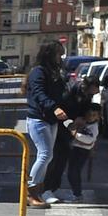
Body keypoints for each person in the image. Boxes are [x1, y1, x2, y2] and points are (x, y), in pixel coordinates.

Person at [23, 41, 69, 207]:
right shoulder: (38, 72)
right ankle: (30, 191)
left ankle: (37, 191)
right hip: (38, 118)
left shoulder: (54, 72)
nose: (60, 57)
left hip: (50, 119)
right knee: (45, 154)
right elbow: (39, 94)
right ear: (49, 54)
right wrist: (54, 108)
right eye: (58, 54)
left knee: (47, 156)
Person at [64, 105, 100, 201]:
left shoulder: (93, 127)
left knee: (74, 172)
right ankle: (76, 193)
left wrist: (75, 134)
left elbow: (89, 140)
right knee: (72, 172)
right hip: (75, 149)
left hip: (82, 151)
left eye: (94, 115)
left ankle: (77, 194)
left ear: (98, 117)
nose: (91, 117)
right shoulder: (84, 123)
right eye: (89, 114)